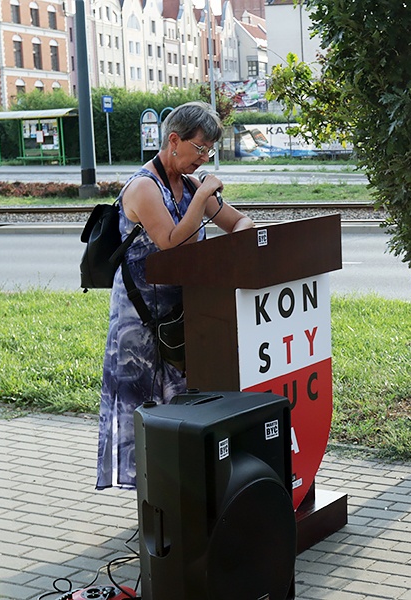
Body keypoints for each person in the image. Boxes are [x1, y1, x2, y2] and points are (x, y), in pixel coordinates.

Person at [96, 101, 254, 490]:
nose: (204, 158)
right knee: (144, 408)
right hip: (141, 318)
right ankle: (152, 499)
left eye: (209, 150)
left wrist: (243, 242)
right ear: (173, 140)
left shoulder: (192, 184)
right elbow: (169, 241)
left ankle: (177, 492)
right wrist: (202, 202)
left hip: (182, 315)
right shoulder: (143, 187)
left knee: (180, 404)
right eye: (200, 148)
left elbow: (238, 221)